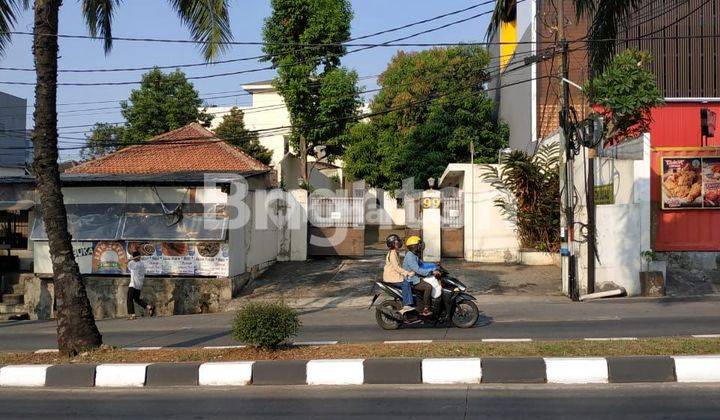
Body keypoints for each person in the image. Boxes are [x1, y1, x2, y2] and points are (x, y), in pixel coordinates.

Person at [402, 236, 437, 316]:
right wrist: (431, 272)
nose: (420, 246)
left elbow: (422, 264)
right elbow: (418, 269)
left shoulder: (414, 255)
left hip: (416, 278)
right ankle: (426, 309)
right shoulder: (410, 256)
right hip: (411, 280)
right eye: (419, 245)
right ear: (414, 246)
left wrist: (434, 264)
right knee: (428, 287)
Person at [382, 234, 415, 314]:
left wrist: (408, 270)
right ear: (393, 244)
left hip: (394, 275)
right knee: (405, 284)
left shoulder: (395, 252)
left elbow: (399, 266)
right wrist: (407, 273)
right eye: (397, 241)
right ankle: (407, 305)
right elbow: (396, 268)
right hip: (392, 277)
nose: (399, 242)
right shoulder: (393, 254)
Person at [126, 251, 154, 320]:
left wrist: (130, 259)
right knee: (137, 299)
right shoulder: (139, 263)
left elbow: (127, 263)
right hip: (138, 285)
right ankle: (149, 307)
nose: (137, 258)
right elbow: (128, 265)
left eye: (137, 257)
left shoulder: (139, 265)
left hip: (134, 284)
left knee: (129, 299)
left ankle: (132, 315)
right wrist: (132, 259)